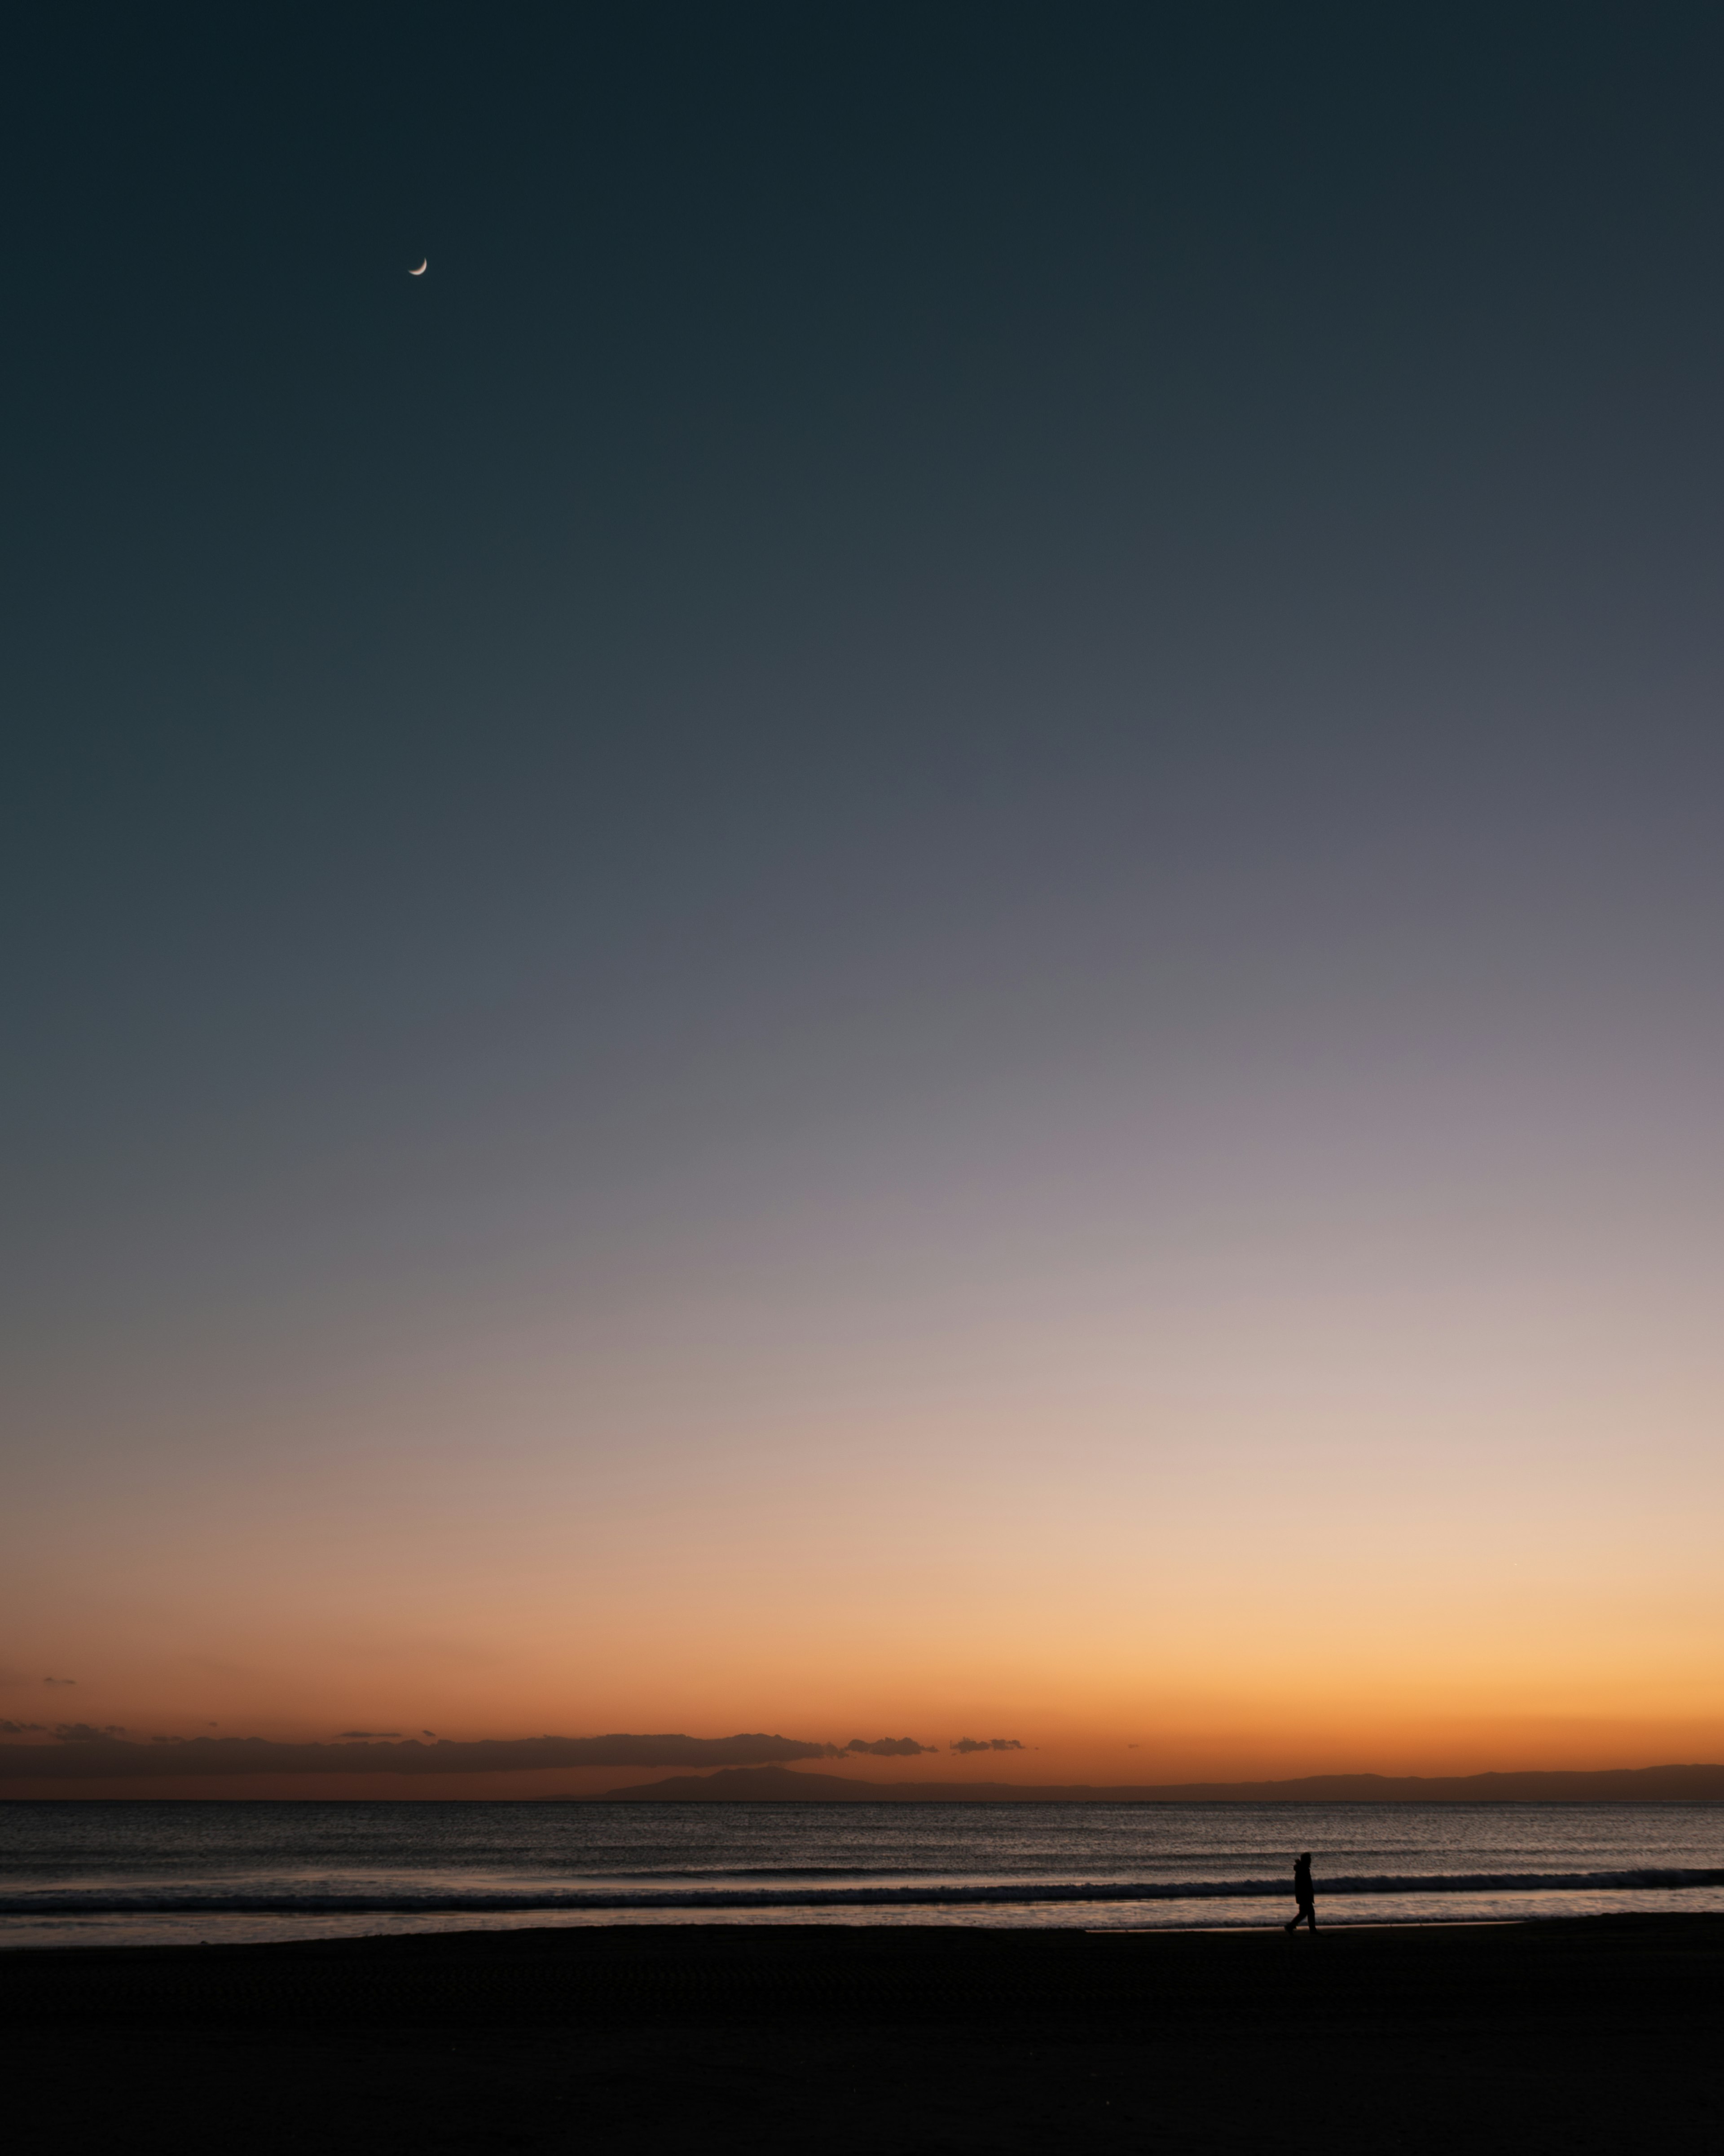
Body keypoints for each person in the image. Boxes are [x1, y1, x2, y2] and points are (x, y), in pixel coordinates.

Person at [1284, 1851, 1316, 1932]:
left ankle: (1291, 1926)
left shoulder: (1303, 1869)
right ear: (1306, 1860)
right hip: (1304, 1895)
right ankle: (1292, 1927)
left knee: (1305, 1913)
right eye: (1309, 1859)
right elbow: (1303, 1885)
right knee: (1308, 1912)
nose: (1310, 1861)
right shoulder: (1303, 1870)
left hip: (1304, 1895)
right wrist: (1307, 1895)